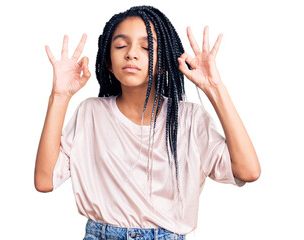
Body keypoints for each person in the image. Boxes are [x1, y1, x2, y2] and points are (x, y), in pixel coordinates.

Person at [34, 5, 261, 240]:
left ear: (163, 62)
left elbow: (249, 170)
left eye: (146, 47)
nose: (131, 53)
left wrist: (215, 88)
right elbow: (44, 180)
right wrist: (59, 97)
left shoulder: (189, 119)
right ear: (108, 61)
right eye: (121, 45)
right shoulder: (91, 113)